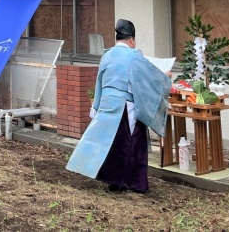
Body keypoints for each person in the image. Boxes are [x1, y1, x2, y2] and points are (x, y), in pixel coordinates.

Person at [66, 19, 171, 193]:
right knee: (130, 143)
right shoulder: (135, 56)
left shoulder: (107, 55)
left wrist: (96, 106)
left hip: (107, 103)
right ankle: (133, 183)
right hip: (126, 105)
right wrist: (165, 77)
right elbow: (150, 79)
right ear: (132, 40)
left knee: (109, 143)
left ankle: (112, 180)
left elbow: (99, 81)